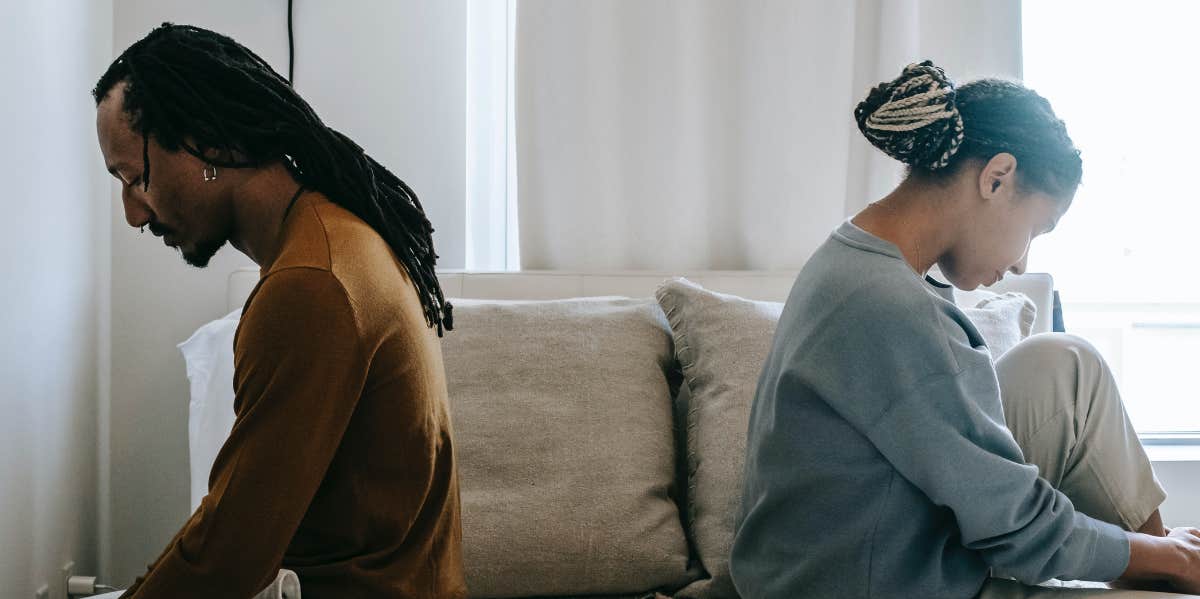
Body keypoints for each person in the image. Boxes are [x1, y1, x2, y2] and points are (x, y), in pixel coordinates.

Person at [729, 61, 1200, 599]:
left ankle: (1172, 565)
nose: (1023, 264)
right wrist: (1150, 555)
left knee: (1065, 363)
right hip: (875, 584)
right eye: (1036, 230)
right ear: (996, 178)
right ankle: (1171, 569)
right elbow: (1020, 528)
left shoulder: (857, 257)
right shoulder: (890, 307)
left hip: (878, 544)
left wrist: (1156, 552)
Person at [93, 23, 466, 598]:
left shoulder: (310, 287)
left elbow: (225, 558)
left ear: (208, 142)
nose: (133, 214)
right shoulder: (341, 237)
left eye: (134, 177)